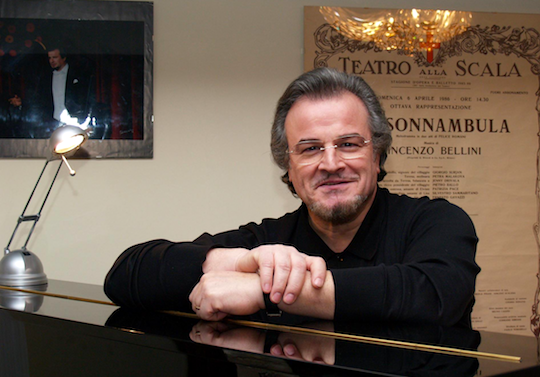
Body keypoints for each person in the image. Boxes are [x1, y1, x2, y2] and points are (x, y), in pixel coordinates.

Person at [104, 67, 480, 328]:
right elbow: (126, 275)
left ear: (377, 155)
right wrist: (235, 261)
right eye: (310, 148)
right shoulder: (266, 244)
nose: (330, 163)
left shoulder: (436, 221)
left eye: (349, 144)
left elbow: (434, 295)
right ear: (288, 166)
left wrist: (266, 292)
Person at [8, 46, 94, 137]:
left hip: (76, 121)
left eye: (55, 57)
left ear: (63, 58)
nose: (52, 61)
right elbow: (39, 99)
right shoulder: (46, 77)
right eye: (50, 58)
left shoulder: (77, 73)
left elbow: (87, 98)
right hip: (53, 123)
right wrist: (22, 102)